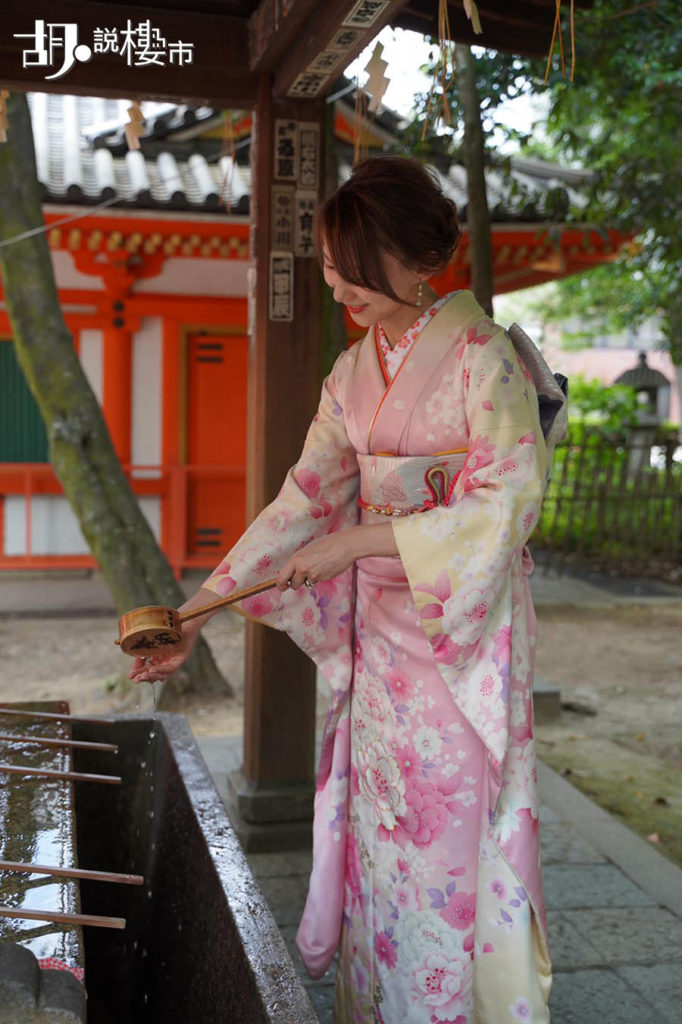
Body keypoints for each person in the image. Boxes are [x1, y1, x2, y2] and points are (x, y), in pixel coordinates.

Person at [129, 156, 553, 1023]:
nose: (333, 283)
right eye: (326, 264)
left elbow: (509, 496)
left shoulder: (484, 358)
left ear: (412, 257)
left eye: (347, 265)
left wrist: (365, 538)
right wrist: (195, 615)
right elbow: (304, 501)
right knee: (382, 838)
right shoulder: (350, 373)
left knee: (443, 843)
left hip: (456, 643)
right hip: (381, 649)